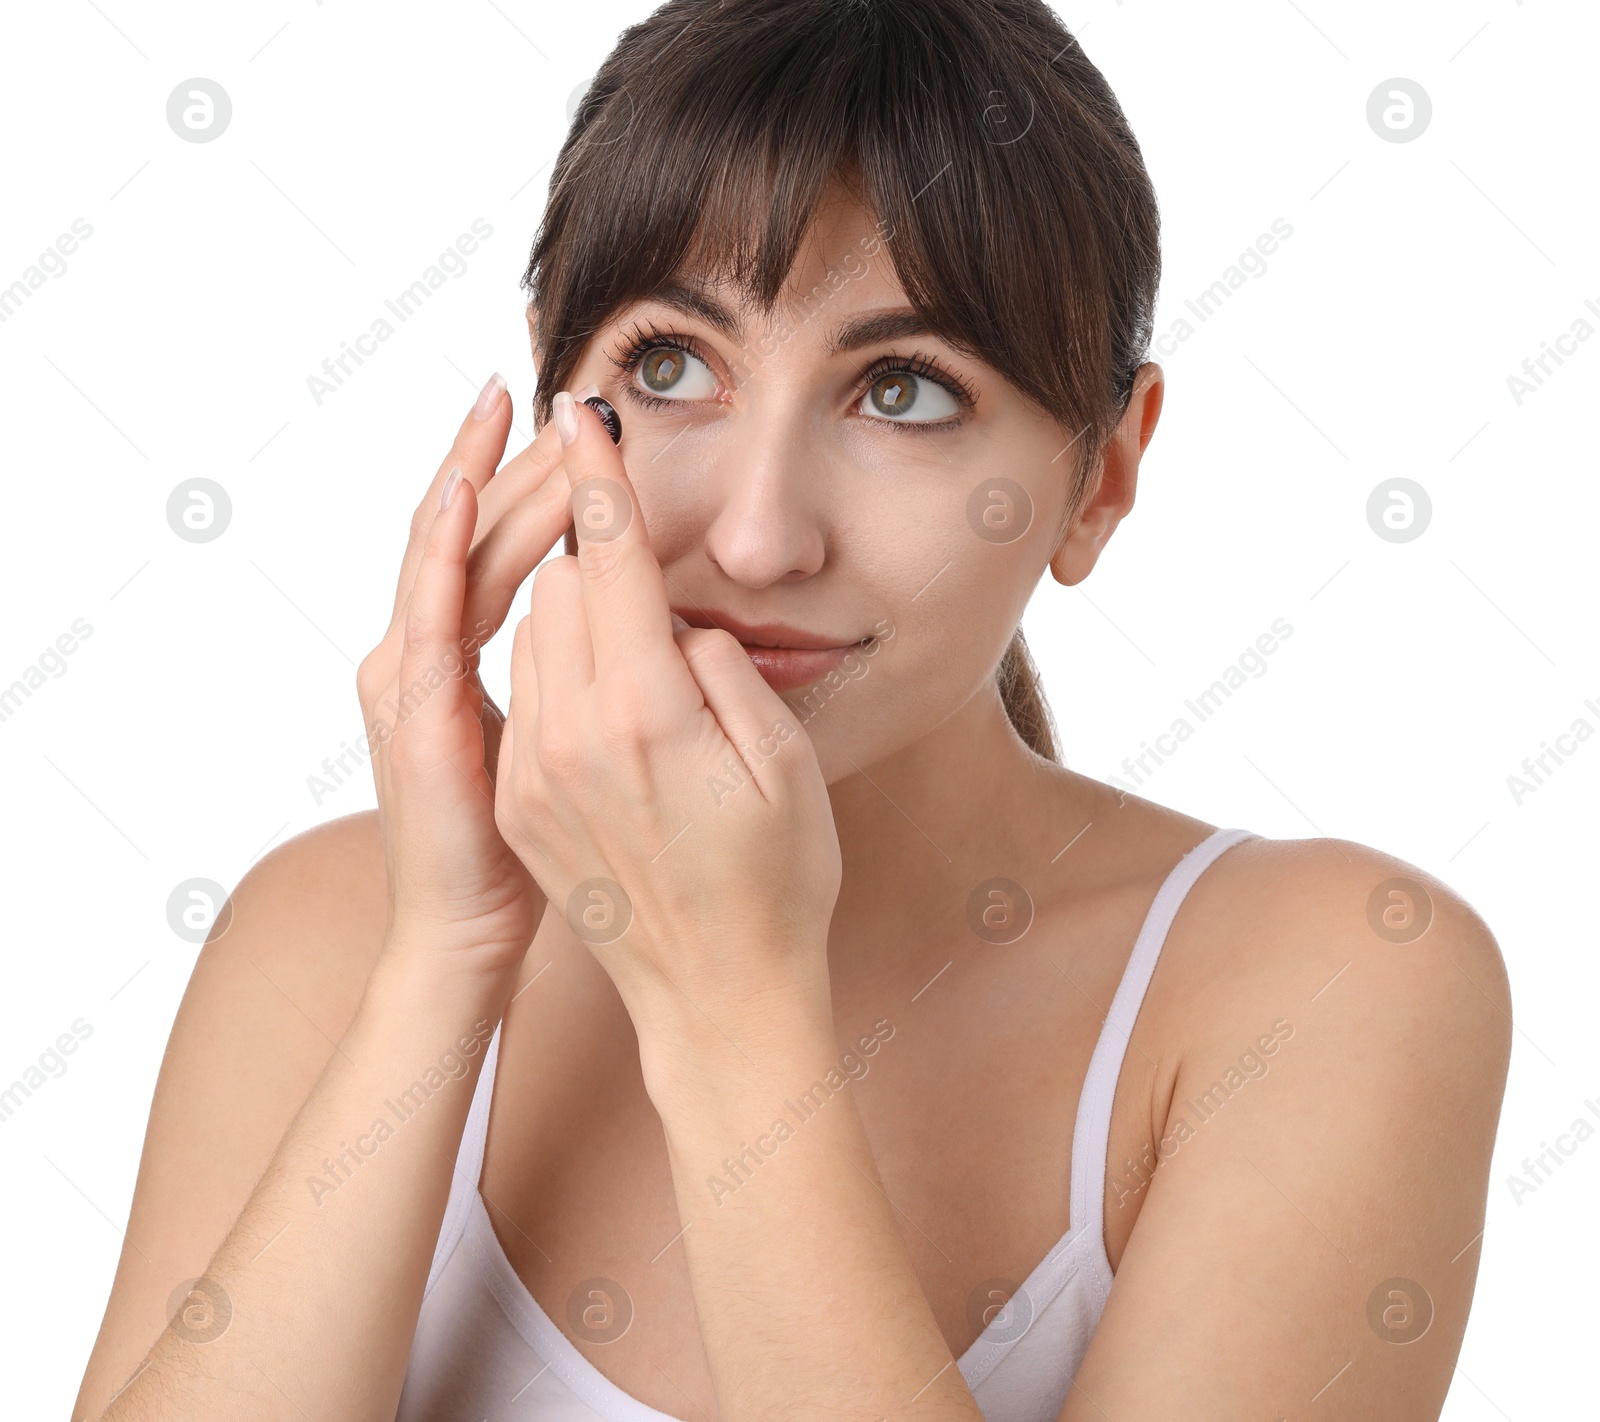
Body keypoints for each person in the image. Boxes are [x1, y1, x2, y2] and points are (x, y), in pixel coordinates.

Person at [73, 1, 1511, 1418]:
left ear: (1103, 479)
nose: (759, 537)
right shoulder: (332, 929)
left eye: (903, 390)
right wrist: (449, 949)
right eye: (670, 366)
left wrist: (732, 1004)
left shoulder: (1330, 979)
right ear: (551, 392)